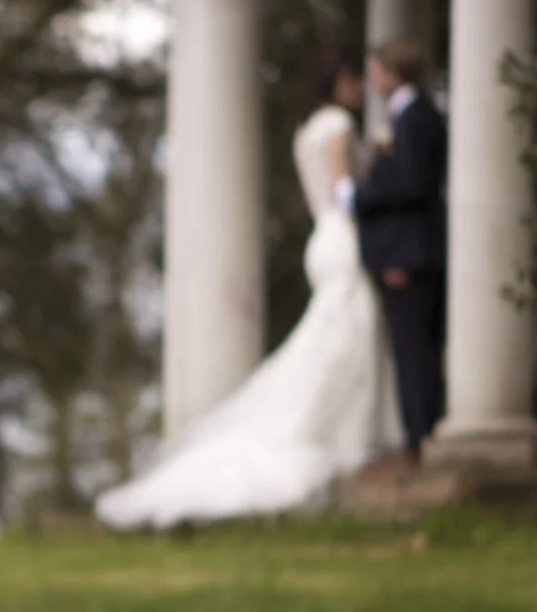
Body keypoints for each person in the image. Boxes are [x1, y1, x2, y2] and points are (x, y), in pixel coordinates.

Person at [96, 49, 403, 528]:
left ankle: (349, 438)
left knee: (334, 335)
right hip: (342, 235)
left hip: (320, 239)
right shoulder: (338, 124)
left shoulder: (307, 131)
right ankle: (348, 441)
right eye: (354, 81)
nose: (360, 90)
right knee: (350, 333)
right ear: (338, 81)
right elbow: (345, 193)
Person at [354, 39, 447, 461]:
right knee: (416, 347)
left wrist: (359, 197)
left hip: (408, 255)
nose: (372, 78)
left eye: (375, 69)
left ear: (393, 73)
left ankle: (419, 438)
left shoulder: (412, 120)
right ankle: (420, 432)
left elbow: (410, 185)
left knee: (414, 349)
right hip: (413, 252)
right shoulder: (415, 116)